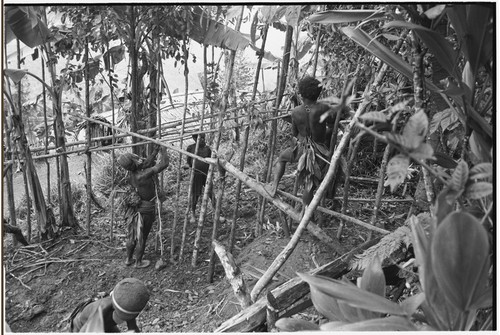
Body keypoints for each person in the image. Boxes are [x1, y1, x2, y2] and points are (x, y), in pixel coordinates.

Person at [269, 76, 340, 207]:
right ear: (318, 93)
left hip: (301, 149)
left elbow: (294, 134)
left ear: (301, 94)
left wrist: (295, 147)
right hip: (320, 152)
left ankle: (274, 185)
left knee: (282, 158)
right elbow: (332, 125)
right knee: (309, 184)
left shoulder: (296, 111)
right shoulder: (323, 108)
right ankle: (308, 213)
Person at [117, 146, 169, 268]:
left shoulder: (132, 173)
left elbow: (147, 162)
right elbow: (164, 164)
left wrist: (155, 150)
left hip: (135, 210)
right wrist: (164, 150)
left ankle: (129, 259)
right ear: (134, 162)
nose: (139, 158)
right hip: (145, 209)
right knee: (142, 236)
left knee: (132, 235)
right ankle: (138, 262)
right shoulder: (143, 175)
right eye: (136, 158)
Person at [69, 278, 150, 332]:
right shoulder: (100, 311)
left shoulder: (129, 305)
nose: (129, 318)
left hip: (107, 325)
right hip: (82, 325)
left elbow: (133, 328)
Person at [185, 133, 216, 224]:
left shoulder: (207, 149)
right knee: (195, 194)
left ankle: (217, 212)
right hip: (196, 174)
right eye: (200, 138)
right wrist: (187, 165)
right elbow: (188, 162)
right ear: (194, 139)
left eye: (203, 138)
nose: (202, 140)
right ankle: (193, 214)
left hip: (207, 174)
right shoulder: (190, 148)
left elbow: (211, 161)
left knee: (211, 193)